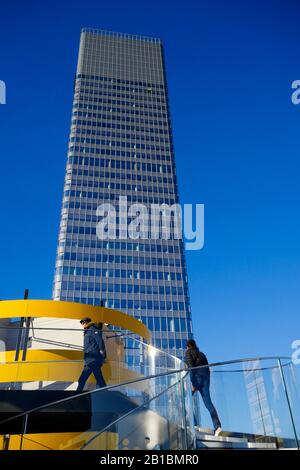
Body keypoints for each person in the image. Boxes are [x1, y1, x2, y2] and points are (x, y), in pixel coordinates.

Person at [185, 339, 222, 436]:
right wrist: (205, 381)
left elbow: (191, 367)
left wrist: (193, 383)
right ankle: (218, 427)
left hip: (197, 379)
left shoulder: (188, 352)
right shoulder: (202, 354)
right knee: (208, 403)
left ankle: (193, 424)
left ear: (188, 346)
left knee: (185, 398)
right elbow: (207, 369)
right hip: (206, 379)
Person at [77, 317, 107, 392]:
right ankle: (77, 395)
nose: (82, 324)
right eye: (81, 323)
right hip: (89, 360)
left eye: (83, 322)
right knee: (82, 379)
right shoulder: (87, 331)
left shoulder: (93, 329)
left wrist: (102, 354)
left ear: (87, 322)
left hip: (94, 359)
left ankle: (106, 393)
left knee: (99, 378)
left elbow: (100, 341)